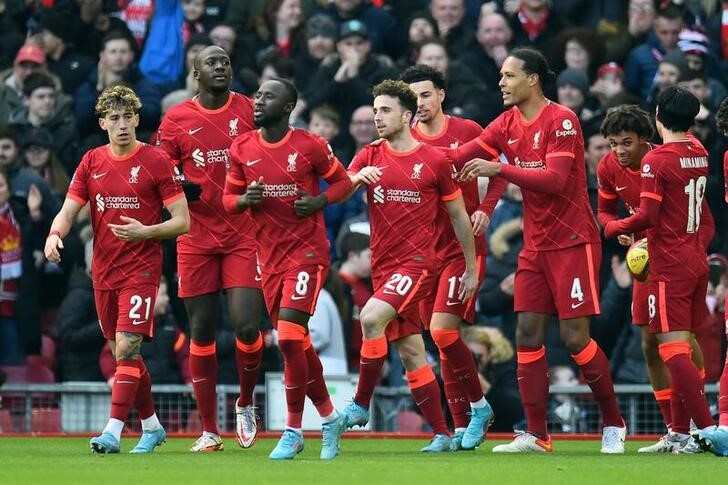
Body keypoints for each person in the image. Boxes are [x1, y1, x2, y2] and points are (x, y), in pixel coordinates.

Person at [452, 47, 626, 453]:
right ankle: (537, 435)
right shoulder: (505, 122)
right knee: (526, 334)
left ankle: (613, 424)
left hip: (572, 241)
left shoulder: (562, 120)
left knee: (574, 339)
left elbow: (554, 179)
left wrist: (500, 168)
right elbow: (462, 154)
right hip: (534, 245)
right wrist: (407, 157)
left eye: (509, 76)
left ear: (533, 79)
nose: (501, 82)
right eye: (500, 75)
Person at [44, 84, 189, 454]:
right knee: (126, 354)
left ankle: (112, 431)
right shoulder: (92, 161)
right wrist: (54, 234)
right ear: (104, 123)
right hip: (103, 271)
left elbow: (183, 221)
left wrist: (146, 231)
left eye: (128, 117)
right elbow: (69, 208)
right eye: (115, 118)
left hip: (141, 269)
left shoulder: (156, 161)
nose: (122, 124)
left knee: (126, 346)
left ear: (138, 120)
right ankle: (153, 426)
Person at [342, 79, 479, 453]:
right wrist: (354, 178)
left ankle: (360, 404)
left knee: (370, 318)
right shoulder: (369, 155)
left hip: (419, 264)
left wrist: (471, 268)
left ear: (406, 114)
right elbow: (337, 190)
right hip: (383, 268)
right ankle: (442, 433)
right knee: (411, 353)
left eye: (384, 110)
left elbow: (459, 217)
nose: (377, 118)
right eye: (374, 111)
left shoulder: (434, 160)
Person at [223, 78, 351, 460]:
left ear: (289, 105)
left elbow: (344, 183)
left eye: (267, 97)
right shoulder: (242, 147)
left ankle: (293, 430)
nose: (258, 102)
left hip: (308, 253)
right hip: (270, 259)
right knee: (299, 345)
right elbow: (228, 200)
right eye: (257, 96)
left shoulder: (309, 145)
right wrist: (246, 199)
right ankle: (330, 418)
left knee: (292, 339)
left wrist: (319, 202)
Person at [604, 86, 728, 457]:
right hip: (695, 259)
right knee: (684, 346)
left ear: (657, 117)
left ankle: (707, 430)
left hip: (668, 263)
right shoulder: (700, 153)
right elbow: (702, 218)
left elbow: (647, 217)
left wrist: (614, 228)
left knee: (671, 348)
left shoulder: (656, 162)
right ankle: (683, 433)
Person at [155, 45, 263, 452]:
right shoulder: (178, 119)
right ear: (195, 74)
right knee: (200, 330)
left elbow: (269, 151)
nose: (220, 67)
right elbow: (161, 169)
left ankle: (246, 403)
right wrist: (179, 184)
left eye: (225, 61)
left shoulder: (251, 110)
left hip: (242, 232)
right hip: (196, 236)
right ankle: (208, 429)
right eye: (211, 63)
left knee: (246, 326)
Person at [400, 64, 493, 451]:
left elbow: (499, 167)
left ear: (441, 94)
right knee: (441, 341)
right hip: (425, 254)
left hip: (462, 248)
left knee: (441, 331)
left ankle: (480, 407)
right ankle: (457, 429)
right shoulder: (403, 139)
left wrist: (488, 206)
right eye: (413, 97)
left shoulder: (468, 131)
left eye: (425, 94)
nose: (419, 103)